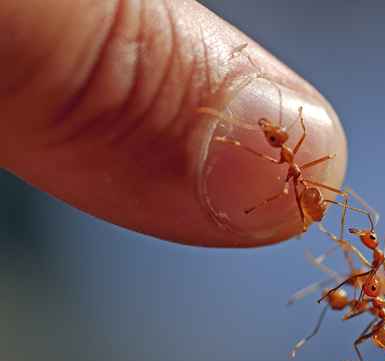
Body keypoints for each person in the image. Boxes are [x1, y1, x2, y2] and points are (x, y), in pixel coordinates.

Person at [0, 0, 347, 247]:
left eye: (273, 136)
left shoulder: (288, 169)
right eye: (274, 136)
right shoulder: (291, 158)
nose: (272, 135)